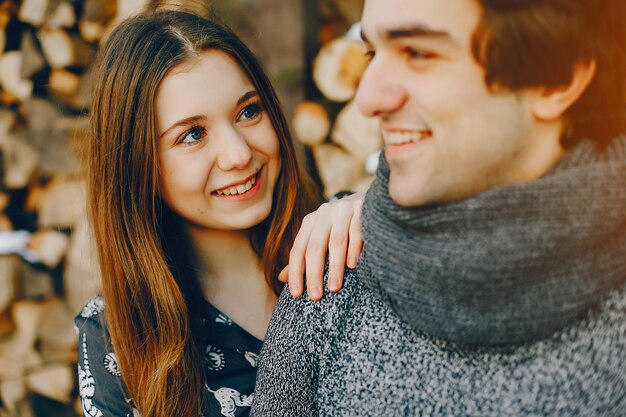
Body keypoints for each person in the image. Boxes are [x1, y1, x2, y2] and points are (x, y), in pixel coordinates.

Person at [251, 0, 626, 415]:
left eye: (417, 52)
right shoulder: (331, 277)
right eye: (372, 53)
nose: (368, 99)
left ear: (557, 78)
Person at [74, 9, 363, 417]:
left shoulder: (345, 237)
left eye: (248, 111)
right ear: (136, 165)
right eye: (192, 134)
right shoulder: (114, 338)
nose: (239, 154)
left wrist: (375, 212)